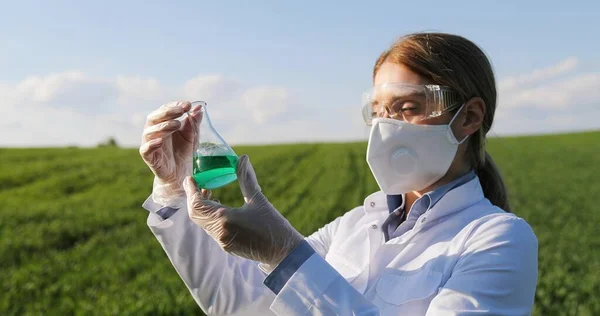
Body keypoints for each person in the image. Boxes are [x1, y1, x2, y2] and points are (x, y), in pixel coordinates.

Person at [139, 32, 538, 315]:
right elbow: (241, 305)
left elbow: (296, 277)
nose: (386, 125)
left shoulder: (498, 238)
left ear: (468, 117)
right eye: (379, 110)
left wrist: (286, 255)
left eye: (407, 107)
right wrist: (173, 187)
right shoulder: (355, 225)